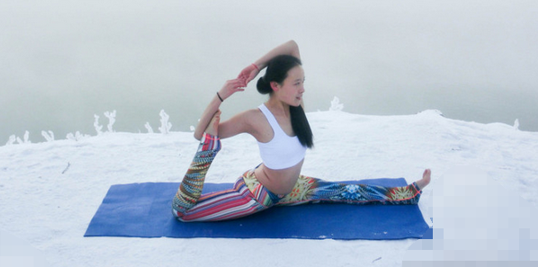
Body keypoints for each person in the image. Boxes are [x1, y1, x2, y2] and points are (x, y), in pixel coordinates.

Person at [172, 40, 431, 222]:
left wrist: (255, 66)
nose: (302, 89)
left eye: (303, 82)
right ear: (276, 85)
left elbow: (292, 46)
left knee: (348, 191)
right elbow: (200, 134)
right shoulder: (255, 119)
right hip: (258, 194)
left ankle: (407, 194)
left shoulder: (294, 107)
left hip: (295, 188)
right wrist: (221, 95)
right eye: (296, 83)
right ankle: (208, 157)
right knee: (183, 212)